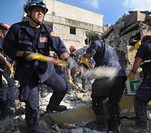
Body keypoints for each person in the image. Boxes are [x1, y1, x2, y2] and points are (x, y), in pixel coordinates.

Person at [3, 0, 76, 132]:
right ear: (28, 12)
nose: (40, 13)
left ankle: (52, 107)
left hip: (45, 70)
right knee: (32, 106)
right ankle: (34, 129)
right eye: (37, 10)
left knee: (62, 87)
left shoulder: (48, 31)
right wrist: (21, 53)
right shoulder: (17, 29)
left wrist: (70, 61)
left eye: (43, 11)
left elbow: (60, 48)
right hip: (27, 73)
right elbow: (8, 48)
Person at [84, 32, 127, 132]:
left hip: (107, 74)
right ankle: (114, 127)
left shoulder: (96, 43)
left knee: (96, 99)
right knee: (113, 102)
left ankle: (102, 125)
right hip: (120, 76)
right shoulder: (110, 48)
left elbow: (89, 55)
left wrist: (85, 58)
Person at [0, 23, 14, 120]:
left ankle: (10, 109)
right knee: (4, 89)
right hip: (3, 69)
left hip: (7, 70)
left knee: (10, 86)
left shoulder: (6, 43)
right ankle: (4, 115)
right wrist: (7, 63)